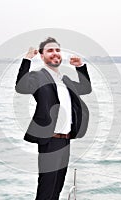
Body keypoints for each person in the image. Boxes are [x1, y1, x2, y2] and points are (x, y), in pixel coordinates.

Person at [15, 37, 92, 200]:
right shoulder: (38, 77)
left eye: (57, 50)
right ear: (42, 56)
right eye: (50, 50)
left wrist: (80, 67)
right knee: (46, 188)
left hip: (65, 141)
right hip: (49, 140)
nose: (55, 53)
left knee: (57, 188)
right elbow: (21, 87)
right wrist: (27, 59)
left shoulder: (65, 80)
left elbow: (85, 88)